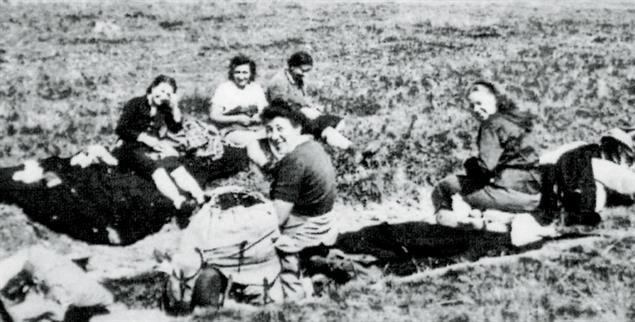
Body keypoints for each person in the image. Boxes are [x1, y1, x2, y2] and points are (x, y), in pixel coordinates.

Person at [431, 81, 542, 228]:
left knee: (445, 186)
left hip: (514, 195)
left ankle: (451, 229)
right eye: (472, 106)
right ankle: (479, 217)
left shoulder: (491, 124)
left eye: (479, 103)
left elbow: (485, 168)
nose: (476, 109)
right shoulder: (517, 119)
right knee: (479, 185)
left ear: (495, 98)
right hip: (535, 191)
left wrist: (470, 164)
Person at [261, 98, 339, 301]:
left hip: (304, 231)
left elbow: (278, 217)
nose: (274, 136)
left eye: (280, 128)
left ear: (297, 126)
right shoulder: (312, 146)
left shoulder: (294, 161)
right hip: (325, 223)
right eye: (269, 130)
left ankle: (296, 289)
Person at [114, 75, 206, 213]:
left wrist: (174, 107)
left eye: (168, 94)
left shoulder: (163, 108)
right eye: (161, 91)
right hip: (128, 147)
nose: (163, 96)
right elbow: (121, 128)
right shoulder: (135, 103)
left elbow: (176, 128)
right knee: (156, 168)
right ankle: (179, 201)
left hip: (152, 148)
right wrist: (143, 138)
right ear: (153, 87)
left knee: (174, 163)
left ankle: (200, 197)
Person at [266, 51, 355, 153]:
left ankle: (349, 149)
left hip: (300, 117)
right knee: (325, 129)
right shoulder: (279, 82)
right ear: (292, 67)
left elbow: (301, 99)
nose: (304, 75)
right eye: (303, 71)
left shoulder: (297, 79)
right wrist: (303, 111)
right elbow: (279, 109)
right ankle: (351, 150)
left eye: (307, 71)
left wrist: (311, 107)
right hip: (288, 122)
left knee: (338, 122)